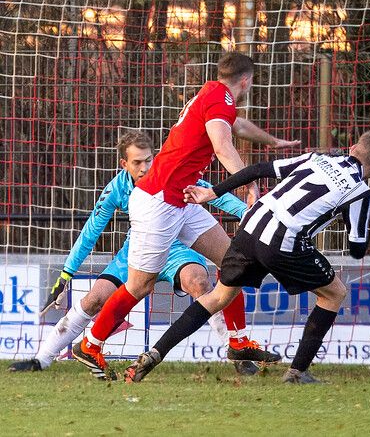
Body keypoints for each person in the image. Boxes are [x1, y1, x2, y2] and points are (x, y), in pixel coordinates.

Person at [73, 53, 297, 377]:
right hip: (158, 201)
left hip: (181, 199)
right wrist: (249, 184)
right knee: (139, 286)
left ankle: (238, 341)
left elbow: (237, 125)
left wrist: (271, 140)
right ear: (246, 81)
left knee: (233, 261)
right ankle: (90, 344)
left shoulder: (214, 93)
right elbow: (222, 145)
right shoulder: (219, 98)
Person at [124, 129, 370, 384]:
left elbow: (258, 170)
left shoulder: (317, 159)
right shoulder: (359, 192)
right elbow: (357, 248)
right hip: (283, 241)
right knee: (334, 293)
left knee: (218, 297)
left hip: (251, 226)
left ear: (354, 148)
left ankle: (154, 353)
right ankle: (297, 372)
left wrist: (213, 192)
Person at [8, 131, 258, 379]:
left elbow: (219, 198)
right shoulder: (116, 188)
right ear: (124, 164)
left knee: (200, 281)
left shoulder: (172, 178)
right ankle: (42, 360)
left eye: (148, 160)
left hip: (175, 249)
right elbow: (91, 230)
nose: (144, 167)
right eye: (137, 162)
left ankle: (236, 352)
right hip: (136, 249)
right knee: (96, 297)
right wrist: (66, 274)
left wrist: (254, 214)